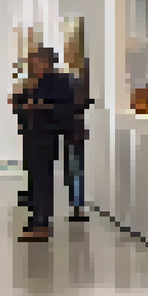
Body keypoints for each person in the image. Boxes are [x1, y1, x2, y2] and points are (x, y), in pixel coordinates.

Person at [10, 45, 79, 241]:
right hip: (31, 135)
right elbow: (20, 106)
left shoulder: (60, 82)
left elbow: (66, 109)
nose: (33, 64)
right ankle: (36, 218)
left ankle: (42, 223)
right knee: (34, 178)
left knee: (43, 180)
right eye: (32, 61)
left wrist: (40, 106)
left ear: (47, 62)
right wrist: (21, 103)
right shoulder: (33, 82)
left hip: (46, 137)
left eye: (36, 61)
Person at [64, 60, 94, 222]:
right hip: (75, 132)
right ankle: (77, 206)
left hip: (74, 131)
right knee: (76, 169)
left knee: (74, 168)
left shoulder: (74, 83)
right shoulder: (77, 84)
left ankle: (77, 205)